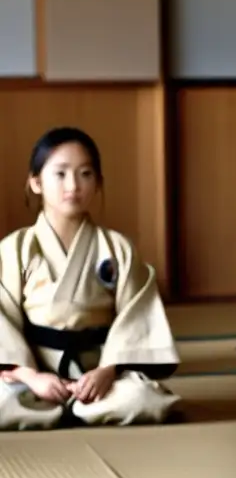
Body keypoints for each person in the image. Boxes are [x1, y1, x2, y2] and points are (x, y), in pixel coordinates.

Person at [0, 127, 181, 430]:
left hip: (99, 376)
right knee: (4, 402)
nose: (73, 185)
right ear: (36, 183)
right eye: (60, 174)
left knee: (144, 399)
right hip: (36, 376)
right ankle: (59, 404)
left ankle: (65, 408)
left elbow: (136, 318)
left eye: (85, 174)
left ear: (98, 182)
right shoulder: (14, 250)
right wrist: (32, 377)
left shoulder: (117, 249)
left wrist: (107, 371)